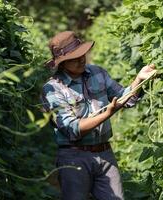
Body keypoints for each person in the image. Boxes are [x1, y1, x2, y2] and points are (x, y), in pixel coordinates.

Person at [41, 31, 156, 200]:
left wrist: (139, 79)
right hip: (74, 158)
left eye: (82, 54)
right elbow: (72, 129)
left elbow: (125, 97)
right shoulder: (52, 89)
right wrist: (109, 112)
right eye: (75, 57)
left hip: (104, 152)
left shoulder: (97, 73)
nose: (81, 59)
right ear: (63, 63)